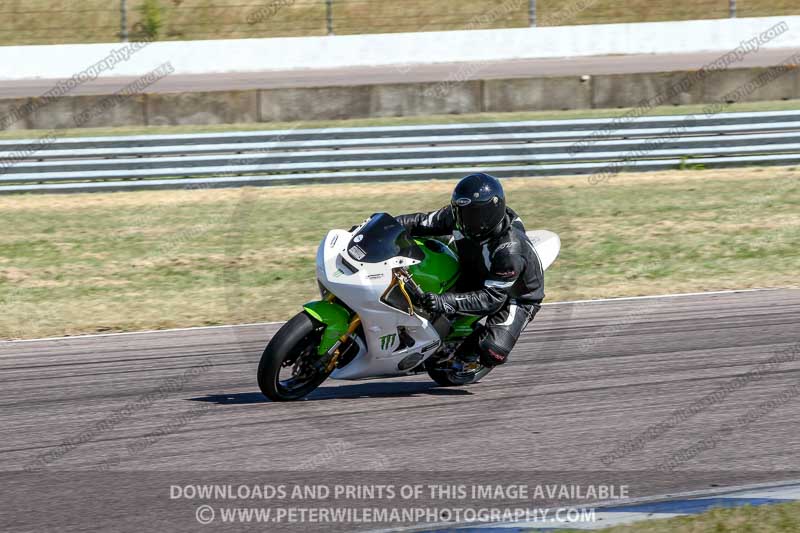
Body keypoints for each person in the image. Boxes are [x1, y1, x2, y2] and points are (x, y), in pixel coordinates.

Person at [395, 173, 545, 368]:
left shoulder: (509, 251)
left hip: (514, 295)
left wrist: (444, 301)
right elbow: (419, 222)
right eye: (460, 211)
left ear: (491, 213)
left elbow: (492, 299)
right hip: (472, 269)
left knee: (492, 350)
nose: (465, 220)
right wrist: (376, 228)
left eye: (473, 214)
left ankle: (467, 352)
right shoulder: (458, 217)